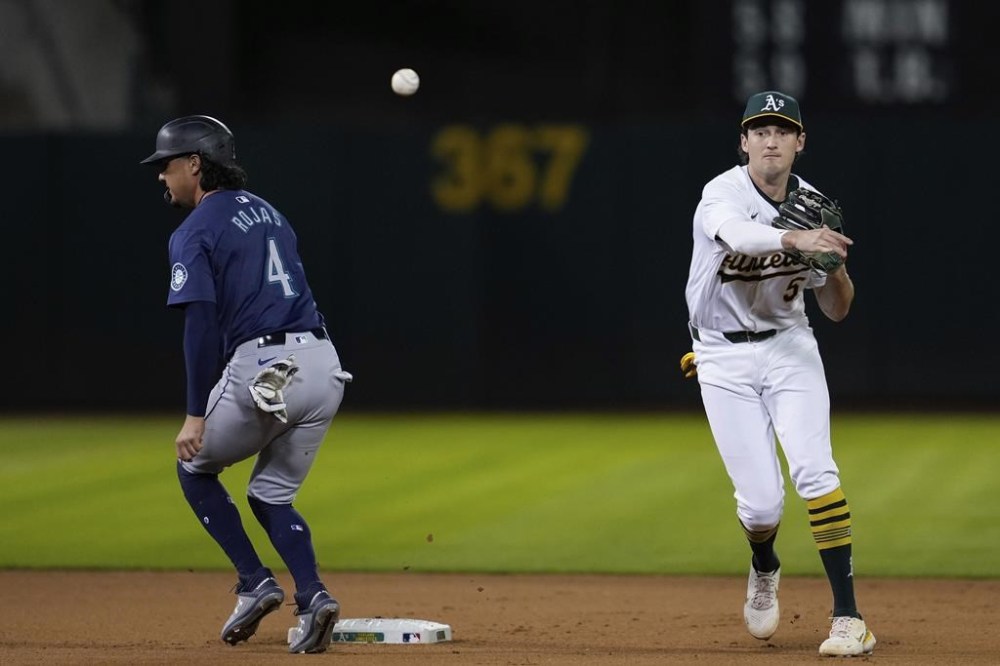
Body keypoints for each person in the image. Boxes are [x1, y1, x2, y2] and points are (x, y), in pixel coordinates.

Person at [141, 115, 353, 654]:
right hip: (324, 365)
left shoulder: (193, 230)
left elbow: (201, 324)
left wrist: (194, 412)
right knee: (271, 494)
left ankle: (255, 581)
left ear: (194, 163)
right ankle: (313, 598)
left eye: (166, 165)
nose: (161, 177)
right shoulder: (271, 212)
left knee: (193, 465)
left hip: (265, 368)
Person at [682, 91, 875, 657]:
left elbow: (837, 310)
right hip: (719, 356)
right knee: (762, 505)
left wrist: (835, 269)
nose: (770, 139)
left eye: (782, 130)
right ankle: (764, 564)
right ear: (744, 142)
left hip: (790, 347)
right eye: (759, 130)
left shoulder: (815, 206)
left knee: (815, 471)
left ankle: (848, 618)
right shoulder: (721, 193)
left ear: (799, 143)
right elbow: (739, 236)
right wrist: (798, 239)